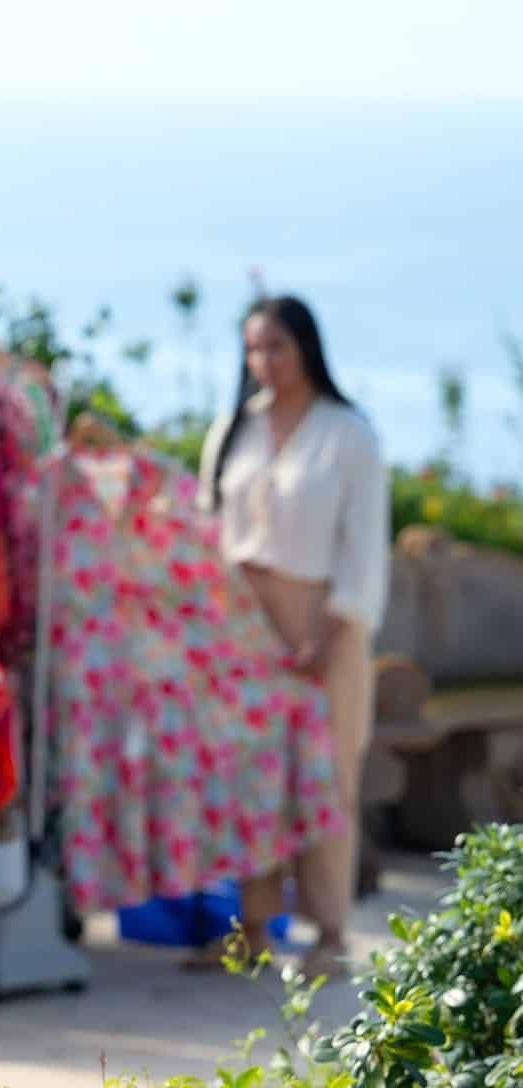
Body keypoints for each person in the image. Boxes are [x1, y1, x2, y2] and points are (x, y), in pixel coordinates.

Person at [196, 294, 388, 979]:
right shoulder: (231, 431)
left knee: (329, 776)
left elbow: (364, 549)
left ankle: (329, 933)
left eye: (275, 346)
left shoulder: (348, 434)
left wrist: (329, 637)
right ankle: (252, 927)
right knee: (251, 779)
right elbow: (206, 528)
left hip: (322, 618)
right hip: (243, 620)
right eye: (253, 348)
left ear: (305, 346)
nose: (264, 361)